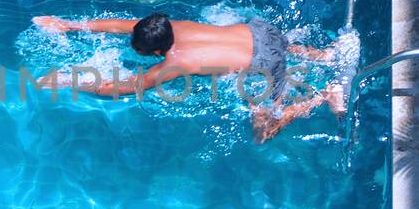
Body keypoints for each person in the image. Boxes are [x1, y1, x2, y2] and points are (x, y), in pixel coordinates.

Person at [32, 12, 347, 142]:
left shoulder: (175, 63)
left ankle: (324, 96)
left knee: (263, 131)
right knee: (275, 44)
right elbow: (124, 24)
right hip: (263, 31)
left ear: (157, 54)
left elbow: (125, 88)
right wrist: (70, 25)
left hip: (267, 61)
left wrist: (74, 81)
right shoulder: (172, 25)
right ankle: (324, 55)